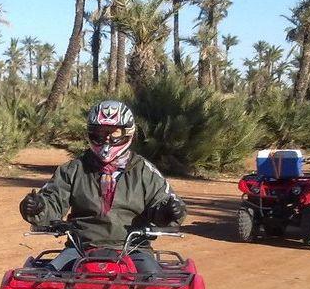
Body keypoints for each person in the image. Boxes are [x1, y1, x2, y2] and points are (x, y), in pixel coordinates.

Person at [19, 100, 187, 272]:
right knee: (46, 282)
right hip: (80, 248)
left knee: (156, 287)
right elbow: (52, 200)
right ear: (90, 133)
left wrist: (168, 212)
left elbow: (165, 200)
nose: (106, 139)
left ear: (128, 132)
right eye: (99, 133)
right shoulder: (73, 169)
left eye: (113, 133)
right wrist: (37, 207)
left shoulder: (145, 171)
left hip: (134, 250)